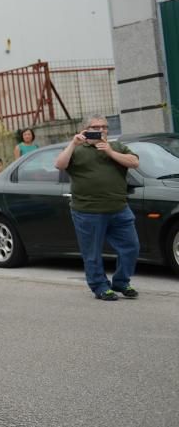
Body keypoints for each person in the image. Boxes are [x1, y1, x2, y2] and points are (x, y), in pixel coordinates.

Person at [54, 114, 140, 301]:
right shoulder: (77, 149)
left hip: (119, 208)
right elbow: (59, 165)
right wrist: (73, 144)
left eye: (104, 127)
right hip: (88, 211)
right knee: (92, 253)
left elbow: (134, 162)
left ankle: (121, 281)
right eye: (96, 127)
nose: (101, 130)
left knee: (131, 247)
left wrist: (109, 151)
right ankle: (100, 286)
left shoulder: (116, 146)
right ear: (85, 130)